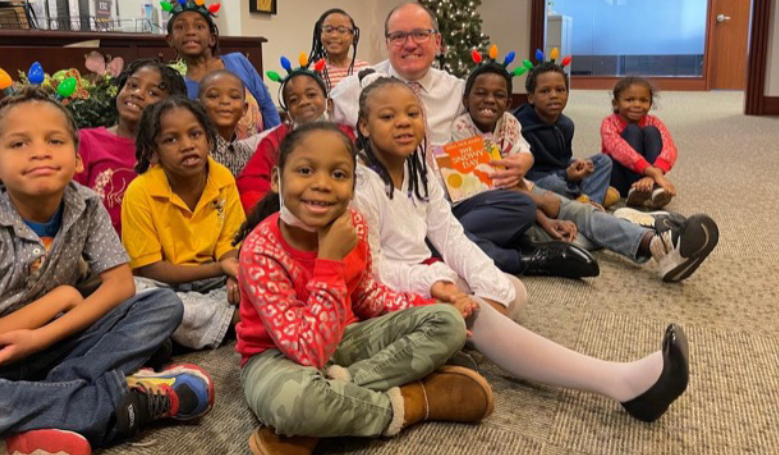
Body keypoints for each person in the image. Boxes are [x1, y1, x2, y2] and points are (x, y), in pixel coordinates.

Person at [352, 77, 691, 424]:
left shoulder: (417, 169)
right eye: (388, 117)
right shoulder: (360, 186)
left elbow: (449, 234)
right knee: (478, 312)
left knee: (512, 290)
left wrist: (483, 282)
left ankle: (457, 345)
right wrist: (441, 283)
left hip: (425, 272)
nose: (405, 123)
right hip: (384, 293)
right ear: (364, 125)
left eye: (412, 113)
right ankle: (622, 383)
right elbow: (371, 273)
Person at [236, 122, 495, 455]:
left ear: (353, 185)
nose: (322, 184)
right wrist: (328, 260)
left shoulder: (354, 225)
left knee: (447, 323)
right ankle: (415, 401)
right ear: (276, 180)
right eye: (305, 170)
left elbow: (366, 296)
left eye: (339, 175)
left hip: (344, 338)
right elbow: (307, 351)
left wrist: (424, 305)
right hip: (276, 357)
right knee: (293, 402)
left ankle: (334, 402)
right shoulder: (260, 249)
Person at [0, 87, 213, 452]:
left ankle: (53, 403)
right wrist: (62, 296)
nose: (39, 151)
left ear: (76, 160)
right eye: (19, 144)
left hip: (62, 344)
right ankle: (106, 405)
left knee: (162, 305)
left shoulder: (84, 203)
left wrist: (43, 335)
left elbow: (120, 285)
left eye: (54, 140)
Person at [331, 2, 592, 278]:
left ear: (437, 40)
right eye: (398, 37)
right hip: (393, 206)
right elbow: (313, 120)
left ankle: (439, 245)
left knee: (523, 206)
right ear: (387, 43)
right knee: (416, 235)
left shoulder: (459, 90)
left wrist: (524, 158)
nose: (409, 44)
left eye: (420, 34)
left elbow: (503, 128)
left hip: (452, 201)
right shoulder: (359, 86)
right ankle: (519, 258)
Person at [454, 62, 719, 283]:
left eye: (499, 95)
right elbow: (493, 189)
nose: (490, 99)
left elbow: (523, 170)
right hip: (501, 205)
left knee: (580, 213)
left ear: (509, 101)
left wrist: (551, 197)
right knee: (568, 226)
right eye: (480, 93)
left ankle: (656, 244)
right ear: (466, 99)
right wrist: (545, 214)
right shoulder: (461, 131)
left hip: (526, 192)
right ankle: (635, 223)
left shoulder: (510, 124)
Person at [121, 97, 245, 350]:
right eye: (171, 139)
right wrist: (222, 268)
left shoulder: (222, 177)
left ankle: (170, 334)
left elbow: (230, 241)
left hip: (216, 284)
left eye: (195, 134)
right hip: (166, 286)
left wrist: (234, 274)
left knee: (266, 274)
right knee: (131, 291)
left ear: (209, 139)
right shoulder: (139, 192)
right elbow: (151, 269)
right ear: (153, 152)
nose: (187, 145)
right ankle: (234, 320)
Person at [75, 59, 187, 235]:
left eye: (152, 92)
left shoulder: (168, 152)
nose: (138, 94)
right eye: (132, 85)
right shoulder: (87, 141)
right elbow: (71, 203)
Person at [237, 59, 354, 213]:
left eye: (311, 95)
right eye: (294, 100)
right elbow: (249, 181)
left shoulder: (344, 135)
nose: (304, 102)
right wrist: (280, 204)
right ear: (287, 111)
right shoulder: (275, 140)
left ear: (328, 102)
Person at [165, 0, 280, 135]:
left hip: (262, 151)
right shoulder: (178, 86)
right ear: (170, 40)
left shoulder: (238, 62)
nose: (190, 32)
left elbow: (267, 106)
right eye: (180, 27)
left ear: (212, 38)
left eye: (199, 26)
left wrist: (277, 143)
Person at [514, 62, 619, 207]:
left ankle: (589, 202)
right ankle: (587, 196)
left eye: (560, 90)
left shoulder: (566, 124)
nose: (554, 95)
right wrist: (566, 175)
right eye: (545, 91)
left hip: (560, 173)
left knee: (603, 161)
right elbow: (524, 175)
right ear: (531, 97)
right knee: (554, 185)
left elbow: (563, 161)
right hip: (536, 179)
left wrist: (577, 166)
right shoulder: (520, 127)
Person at [601, 77, 678, 208]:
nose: (637, 105)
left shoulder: (654, 122)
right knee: (632, 130)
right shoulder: (609, 123)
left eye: (643, 100)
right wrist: (653, 173)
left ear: (650, 103)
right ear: (616, 103)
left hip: (650, 176)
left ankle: (650, 186)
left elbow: (669, 148)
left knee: (652, 132)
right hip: (620, 178)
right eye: (629, 100)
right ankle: (638, 188)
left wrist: (654, 174)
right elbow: (620, 150)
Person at [198, 69, 253, 177]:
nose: (225, 101)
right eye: (214, 96)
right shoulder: (198, 152)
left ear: (244, 109)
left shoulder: (247, 154)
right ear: (199, 106)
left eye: (234, 96)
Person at [308, 8, 370, 90]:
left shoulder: (364, 69)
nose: (334, 35)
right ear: (320, 35)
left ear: (353, 38)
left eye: (342, 30)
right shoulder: (313, 72)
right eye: (328, 30)